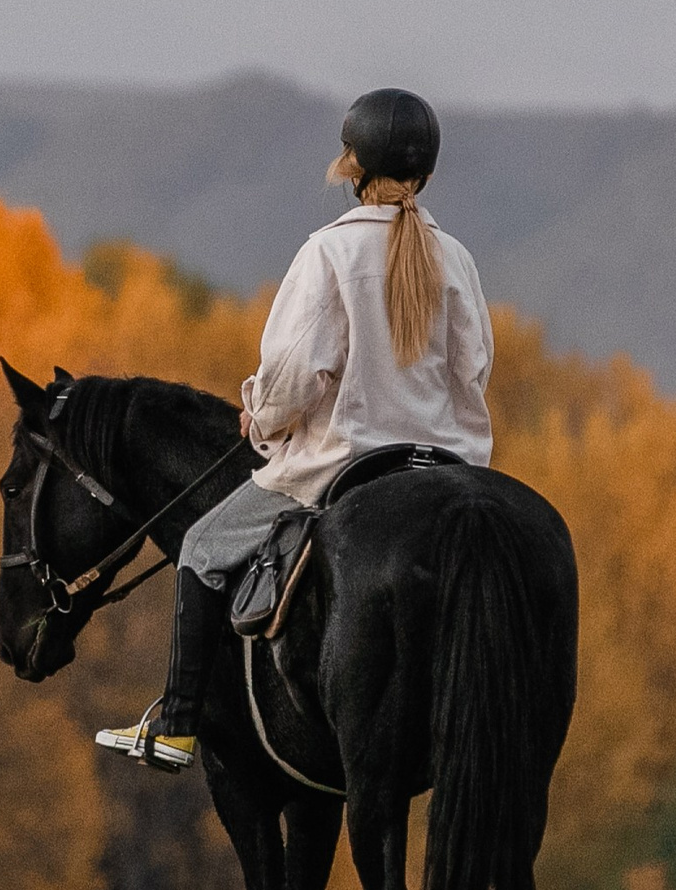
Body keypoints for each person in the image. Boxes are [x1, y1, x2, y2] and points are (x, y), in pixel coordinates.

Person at [97, 88, 496, 772]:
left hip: (338, 469)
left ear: (351, 165)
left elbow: (296, 370)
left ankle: (178, 727)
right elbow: (474, 373)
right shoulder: (454, 258)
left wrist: (262, 413)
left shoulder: (328, 254)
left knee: (199, 545)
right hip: (445, 471)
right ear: (424, 172)